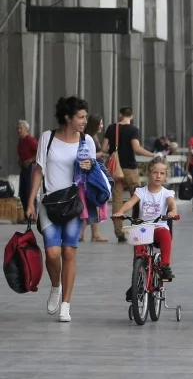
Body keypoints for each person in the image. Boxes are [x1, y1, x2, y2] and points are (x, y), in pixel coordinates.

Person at [25, 96, 97, 322]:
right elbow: (38, 170)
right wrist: (30, 201)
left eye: (85, 117)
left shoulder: (87, 141)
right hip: (49, 203)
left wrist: (90, 166)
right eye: (81, 117)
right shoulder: (48, 138)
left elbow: (93, 173)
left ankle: (66, 304)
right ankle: (55, 285)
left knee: (69, 251)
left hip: (75, 204)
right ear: (68, 117)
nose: (85, 121)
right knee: (52, 253)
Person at [112, 155, 178, 287]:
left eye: (162, 173)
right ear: (148, 173)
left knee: (166, 235)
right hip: (143, 228)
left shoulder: (167, 193)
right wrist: (120, 212)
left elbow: (172, 204)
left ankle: (165, 265)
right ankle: (137, 280)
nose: (158, 176)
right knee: (138, 253)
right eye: (155, 172)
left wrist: (173, 212)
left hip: (159, 226)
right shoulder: (141, 191)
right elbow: (130, 203)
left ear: (166, 176)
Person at [102, 106, 155, 242]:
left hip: (115, 169)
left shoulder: (111, 128)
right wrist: (153, 155)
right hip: (130, 168)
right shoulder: (133, 130)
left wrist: (113, 152)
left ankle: (119, 232)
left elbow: (104, 148)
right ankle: (136, 225)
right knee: (137, 197)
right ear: (131, 116)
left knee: (117, 200)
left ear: (120, 115)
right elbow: (136, 148)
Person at [79, 114, 108, 242]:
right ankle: (82, 233)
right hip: (91, 174)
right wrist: (102, 152)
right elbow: (90, 157)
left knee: (92, 203)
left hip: (91, 173)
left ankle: (94, 234)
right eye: (100, 123)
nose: (102, 126)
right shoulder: (89, 138)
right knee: (91, 202)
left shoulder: (91, 136)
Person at [16, 120, 38, 211]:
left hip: (31, 168)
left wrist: (30, 160)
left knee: (29, 191)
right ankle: (26, 214)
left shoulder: (29, 140)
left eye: (21, 128)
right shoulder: (21, 141)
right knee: (22, 192)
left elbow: (40, 152)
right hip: (23, 167)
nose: (19, 130)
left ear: (26, 129)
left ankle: (32, 215)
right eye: (18, 128)